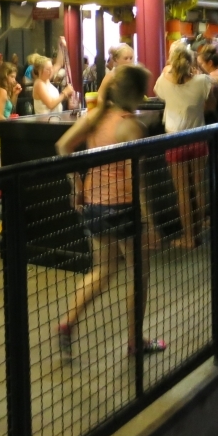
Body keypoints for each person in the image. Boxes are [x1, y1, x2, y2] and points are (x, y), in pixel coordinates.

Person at [55, 64, 167, 360]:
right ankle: (135, 341)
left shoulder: (96, 117)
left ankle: (68, 322)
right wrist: (149, 220)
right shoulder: (132, 126)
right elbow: (138, 180)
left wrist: (76, 184)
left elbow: (63, 145)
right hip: (123, 207)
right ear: (138, 93)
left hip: (93, 204)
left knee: (102, 270)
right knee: (138, 274)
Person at [154, 44, 214, 249]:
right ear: (192, 61)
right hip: (198, 138)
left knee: (182, 192)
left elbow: (160, 93)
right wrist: (200, 69)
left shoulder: (163, 81)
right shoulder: (202, 81)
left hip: (174, 140)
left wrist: (169, 69)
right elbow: (214, 95)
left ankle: (189, 237)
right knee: (198, 187)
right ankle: (200, 230)